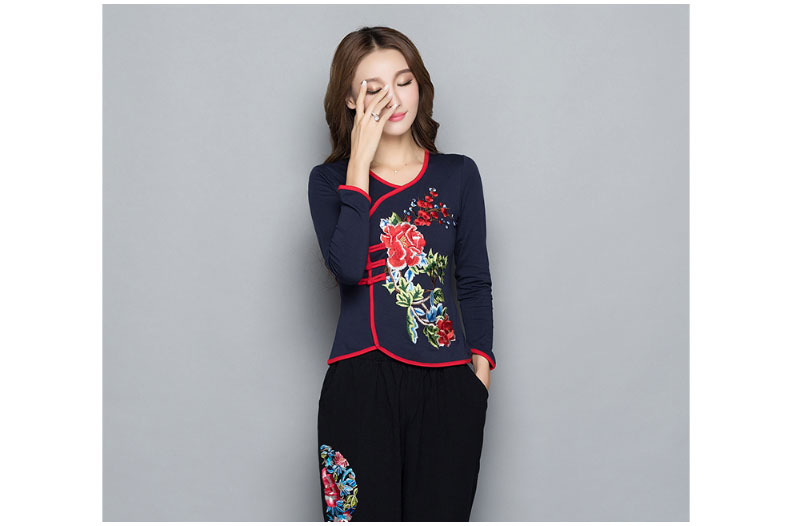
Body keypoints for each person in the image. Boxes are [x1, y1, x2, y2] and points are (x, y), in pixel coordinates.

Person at [307, 26, 495, 522]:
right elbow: (349, 268)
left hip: (449, 386)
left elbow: (474, 280)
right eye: (373, 88)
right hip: (359, 386)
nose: (392, 98)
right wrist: (359, 163)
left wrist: (479, 375)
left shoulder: (458, 175)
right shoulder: (328, 182)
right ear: (350, 100)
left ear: (419, 86)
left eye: (403, 81)